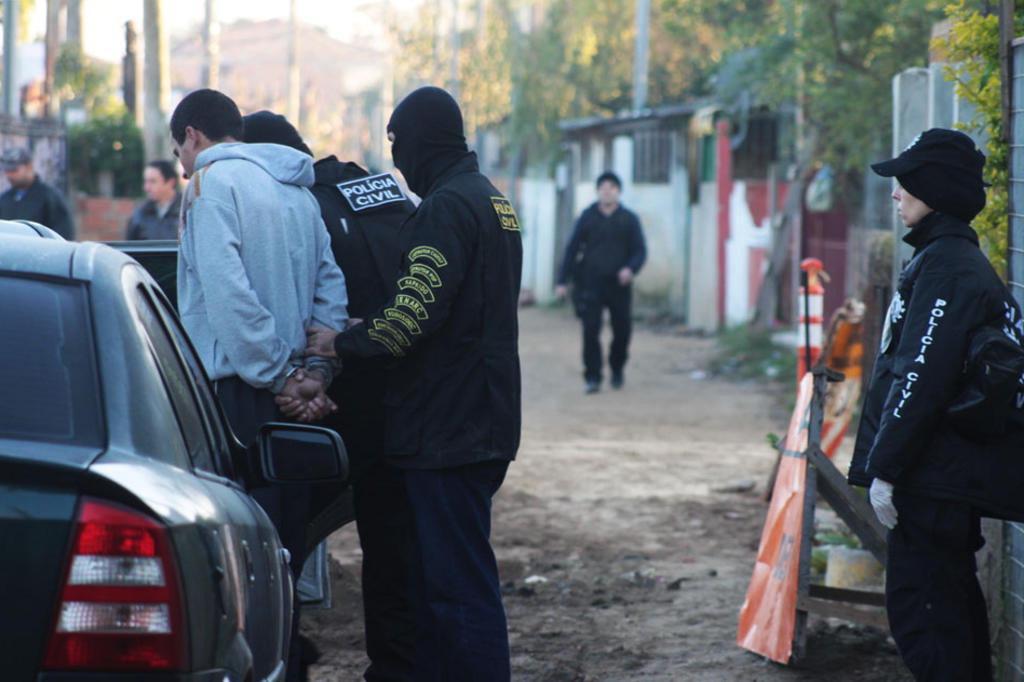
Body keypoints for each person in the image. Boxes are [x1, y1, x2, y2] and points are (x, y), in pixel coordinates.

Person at [305, 86, 522, 681]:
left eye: (398, 144)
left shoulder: (447, 208)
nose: (396, 162)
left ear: (422, 140)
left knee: (456, 590)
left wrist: (341, 341)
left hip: (448, 430)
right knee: (457, 582)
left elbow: (408, 320)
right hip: (484, 419)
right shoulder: (491, 201)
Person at [169, 88, 348, 682]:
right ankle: (289, 664)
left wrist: (281, 374)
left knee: (242, 564)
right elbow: (331, 289)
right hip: (300, 404)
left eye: (178, 152)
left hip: (239, 400)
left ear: (193, 136)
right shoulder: (296, 192)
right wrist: (314, 372)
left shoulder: (207, 189)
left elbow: (228, 297)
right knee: (287, 551)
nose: (181, 166)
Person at [243, 110, 419, 682]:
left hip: (329, 411)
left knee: (278, 547)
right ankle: (398, 667)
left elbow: (293, 309)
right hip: (412, 405)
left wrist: (305, 384)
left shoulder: (294, 206)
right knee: (398, 549)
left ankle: (287, 655)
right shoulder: (386, 194)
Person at [849, 128, 1024, 682]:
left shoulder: (948, 268)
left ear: (936, 190)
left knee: (926, 615)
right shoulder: (942, 259)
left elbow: (921, 376)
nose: (896, 193)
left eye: (908, 182)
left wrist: (887, 467)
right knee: (947, 607)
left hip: (932, 476)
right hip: (937, 472)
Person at [555, 171, 646, 394]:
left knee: (622, 330)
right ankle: (593, 376)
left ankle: (617, 368)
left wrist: (630, 269)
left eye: (611, 188)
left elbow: (640, 251)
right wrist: (562, 281)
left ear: (618, 191)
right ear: (598, 191)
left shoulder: (629, 219)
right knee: (590, 330)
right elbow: (572, 249)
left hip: (619, 284)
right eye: (603, 188)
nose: (607, 191)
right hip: (590, 283)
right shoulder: (587, 217)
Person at [0, 147, 75, 239]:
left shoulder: (50, 197)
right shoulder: (5, 199)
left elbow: (63, 234)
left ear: (29, 167)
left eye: (14, 170)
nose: (9, 175)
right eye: (7, 171)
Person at [126, 159, 182, 240]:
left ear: (170, 182)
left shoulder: (186, 212)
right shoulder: (140, 214)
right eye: (145, 181)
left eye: (153, 181)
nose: (146, 188)